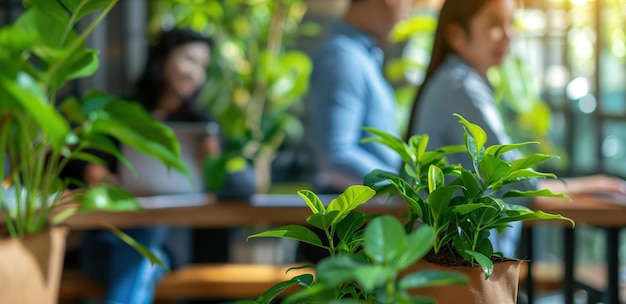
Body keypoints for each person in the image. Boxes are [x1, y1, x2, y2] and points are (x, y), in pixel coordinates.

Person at [407, 0, 626, 257]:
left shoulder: (457, 80)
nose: (509, 34)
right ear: (456, 34)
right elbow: (513, 181)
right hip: (458, 258)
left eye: (510, 23)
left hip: (450, 254)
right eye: (495, 25)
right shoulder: (460, 86)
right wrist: (587, 185)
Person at [73, 28, 254, 304]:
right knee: (142, 260)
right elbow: (82, 163)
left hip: (167, 246)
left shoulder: (203, 127)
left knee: (145, 245)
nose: (196, 73)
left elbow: (244, 186)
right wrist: (96, 175)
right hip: (108, 238)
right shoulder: (119, 113)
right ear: (163, 59)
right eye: (189, 60)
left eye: (203, 66)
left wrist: (213, 162)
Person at [306, 0, 412, 194]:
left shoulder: (358, 56)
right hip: (353, 219)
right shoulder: (343, 57)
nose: (405, 15)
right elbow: (336, 157)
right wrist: (405, 192)